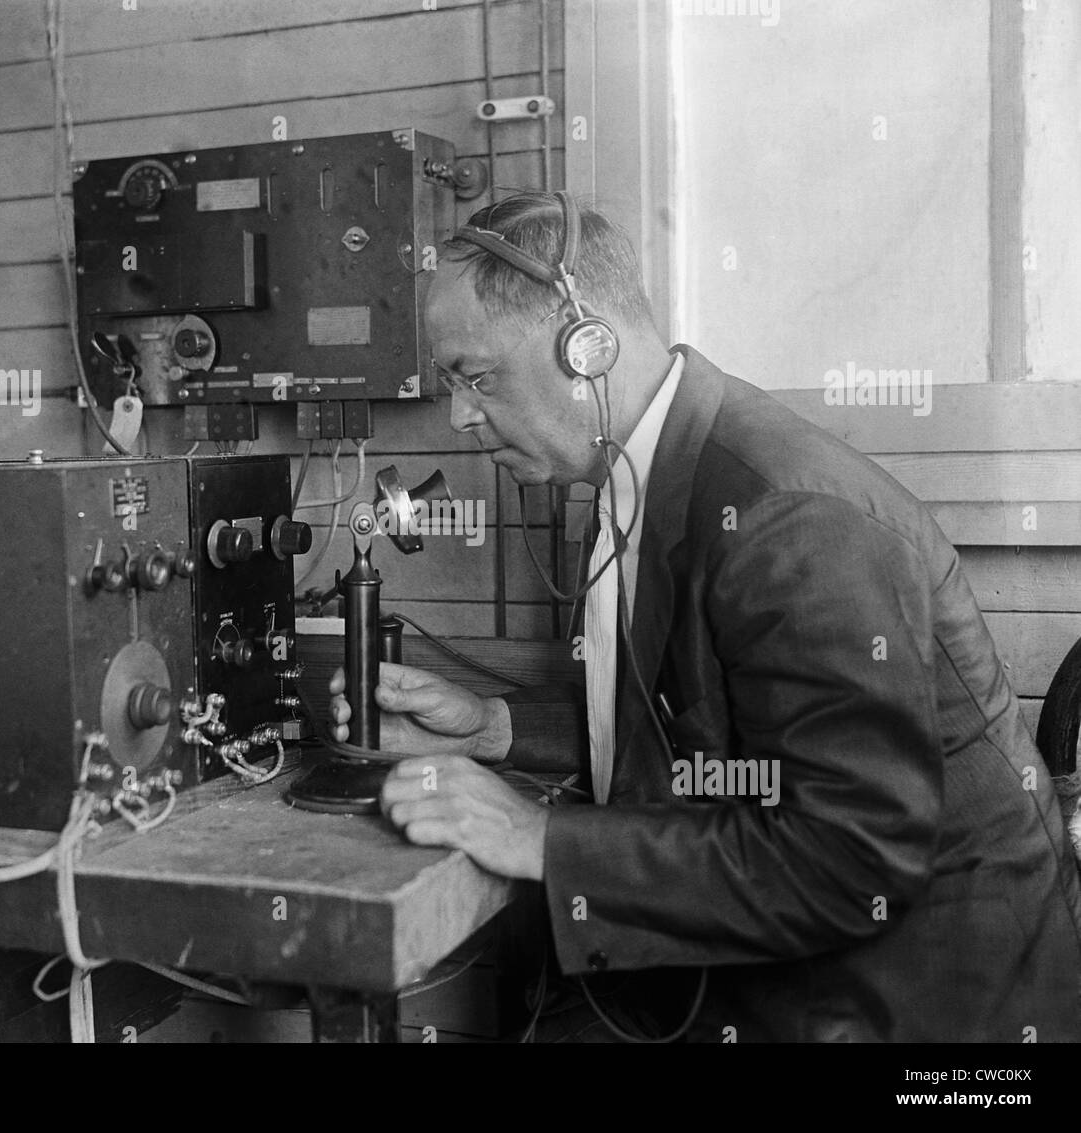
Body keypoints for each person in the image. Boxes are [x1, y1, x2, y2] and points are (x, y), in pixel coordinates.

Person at [328, 190, 1081, 1042]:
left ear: (587, 347)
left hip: (924, 1004)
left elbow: (851, 857)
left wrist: (542, 837)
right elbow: (699, 733)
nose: (460, 414)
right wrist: (492, 730)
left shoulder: (784, 515)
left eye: (476, 376)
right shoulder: (633, 472)